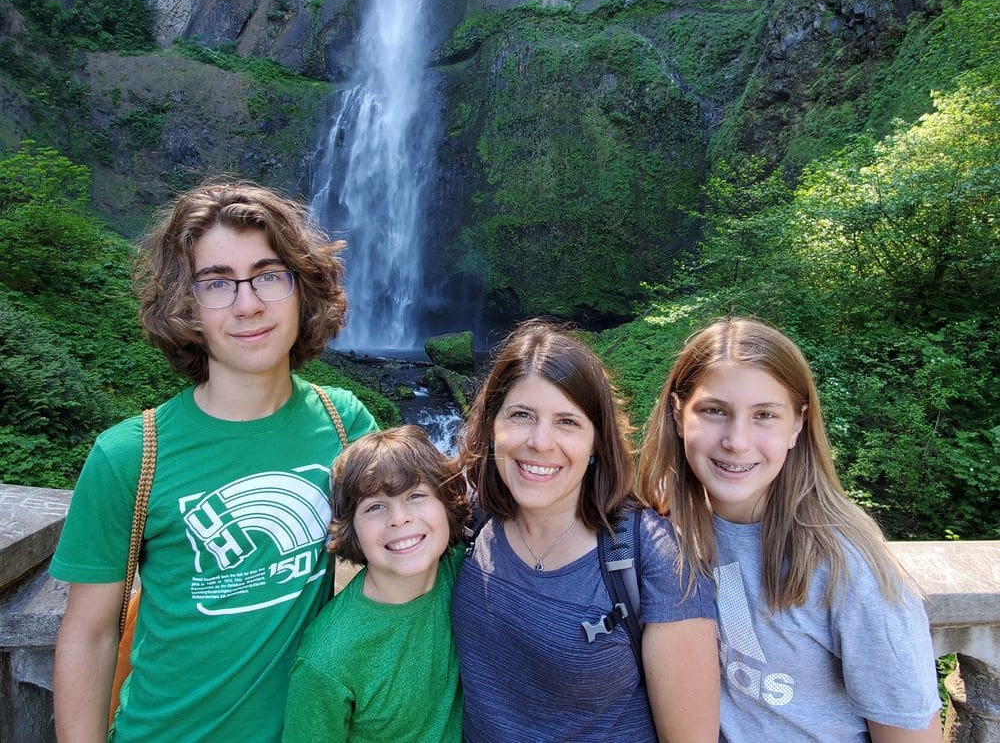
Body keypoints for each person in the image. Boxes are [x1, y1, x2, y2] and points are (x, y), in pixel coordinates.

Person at [50, 180, 379, 742]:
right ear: (188, 304)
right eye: (217, 283)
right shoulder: (129, 455)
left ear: (302, 288)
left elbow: (411, 541)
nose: (247, 304)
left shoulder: (345, 422)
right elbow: (89, 636)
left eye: (269, 275)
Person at [638, 317, 941, 742]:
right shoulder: (668, 521)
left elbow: (911, 735)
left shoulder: (847, 567)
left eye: (764, 415)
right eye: (714, 411)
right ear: (677, 413)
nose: (736, 441)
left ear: (797, 424)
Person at [451, 319, 719, 743]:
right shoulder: (466, 522)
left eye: (567, 422)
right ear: (491, 428)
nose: (540, 442)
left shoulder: (652, 555)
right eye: (521, 415)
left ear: (597, 441)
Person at [282, 425, 469, 742]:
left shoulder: (464, 567)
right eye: (375, 506)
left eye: (416, 495)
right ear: (350, 528)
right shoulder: (328, 658)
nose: (399, 518)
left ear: (447, 503)